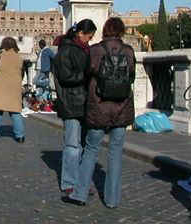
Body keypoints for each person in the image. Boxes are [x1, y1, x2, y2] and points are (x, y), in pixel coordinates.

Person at [64, 18, 135, 208]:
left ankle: (79, 195)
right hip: (121, 109)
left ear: (104, 31)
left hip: (99, 108)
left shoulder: (95, 50)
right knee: (116, 154)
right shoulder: (128, 51)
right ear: (121, 32)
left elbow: (86, 75)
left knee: (91, 151)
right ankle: (112, 200)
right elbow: (132, 76)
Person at [52, 19, 97, 195]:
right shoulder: (66, 51)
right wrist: (87, 74)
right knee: (72, 145)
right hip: (71, 102)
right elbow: (65, 77)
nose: (90, 40)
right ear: (80, 34)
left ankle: (82, 180)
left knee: (85, 145)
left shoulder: (85, 50)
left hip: (85, 102)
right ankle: (69, 182)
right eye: (89, 36)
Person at [0, 37, 26, 142]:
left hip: (0, 86)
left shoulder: (0, 55)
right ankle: (20, 136)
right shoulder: (19, 57)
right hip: (14, 87)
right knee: (15, 112)